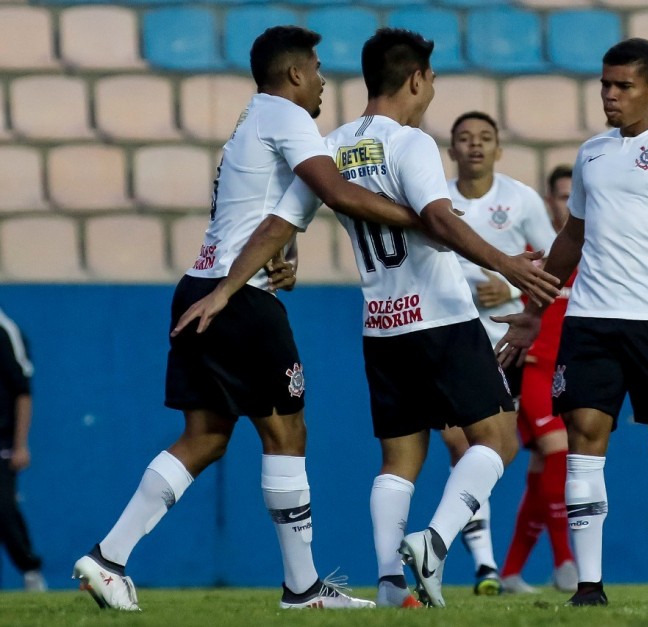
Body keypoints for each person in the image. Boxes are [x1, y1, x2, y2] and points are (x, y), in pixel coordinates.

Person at [72, 25, 417, 611]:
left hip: (202, 283)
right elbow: (336, 193)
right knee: (286, 432)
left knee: (204, 437)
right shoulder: (286, 116)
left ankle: (107, 558)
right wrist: (425, 217)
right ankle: (302, 590)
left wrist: (284, 255)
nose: (324, 81)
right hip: (239, 297)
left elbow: (273, 210)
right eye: (316, 68)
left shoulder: (251, 122)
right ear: (294, 75)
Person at [268, 27, 559, 608]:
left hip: (382, 322)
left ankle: (388, 585)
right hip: (442, 319)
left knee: (399, 458)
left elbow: (288, 216)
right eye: (431, 80)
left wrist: (287, 257)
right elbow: (440, 220)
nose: (432, 91)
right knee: (498, 440)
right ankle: (435, 542)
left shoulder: (333, 144)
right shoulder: (412, 143)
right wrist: (510, 265)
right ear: (416, 79)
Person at [495, 38, 648, 607]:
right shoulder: (591, 154)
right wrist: (536, 314)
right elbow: (572, 240)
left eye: (624, 86)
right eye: (605, 84)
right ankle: (589, 587)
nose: (610, 95)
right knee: (583, 439)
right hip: (590, 320)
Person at [438, 111, 558, 595]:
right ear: (451, 150)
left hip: (503, 345)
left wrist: (511, 291)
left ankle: (481, 561)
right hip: (447, 336)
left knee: (495, 449)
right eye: (464, 139)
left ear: (498, 149)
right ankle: (486, 565)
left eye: (485, 138)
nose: (475, 146)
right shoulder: (437, 199)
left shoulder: (519, 199)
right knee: (458, 443)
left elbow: (553, 262)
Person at [499, 165, 577, 595]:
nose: (567, 204)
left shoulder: (586, 249)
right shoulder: (530, 248)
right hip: (531, 366)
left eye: (573, 197)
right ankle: (566, 562)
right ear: (548, 201)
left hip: (567, 370)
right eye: (561, 196)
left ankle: (510, 573)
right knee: (557, 451)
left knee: (542, 468)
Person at [0, 307, 46, 592]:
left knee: (4, 510)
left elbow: (23, 390)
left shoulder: (5, 331)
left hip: (2, 444)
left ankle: (30, 570)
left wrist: (20, 445)